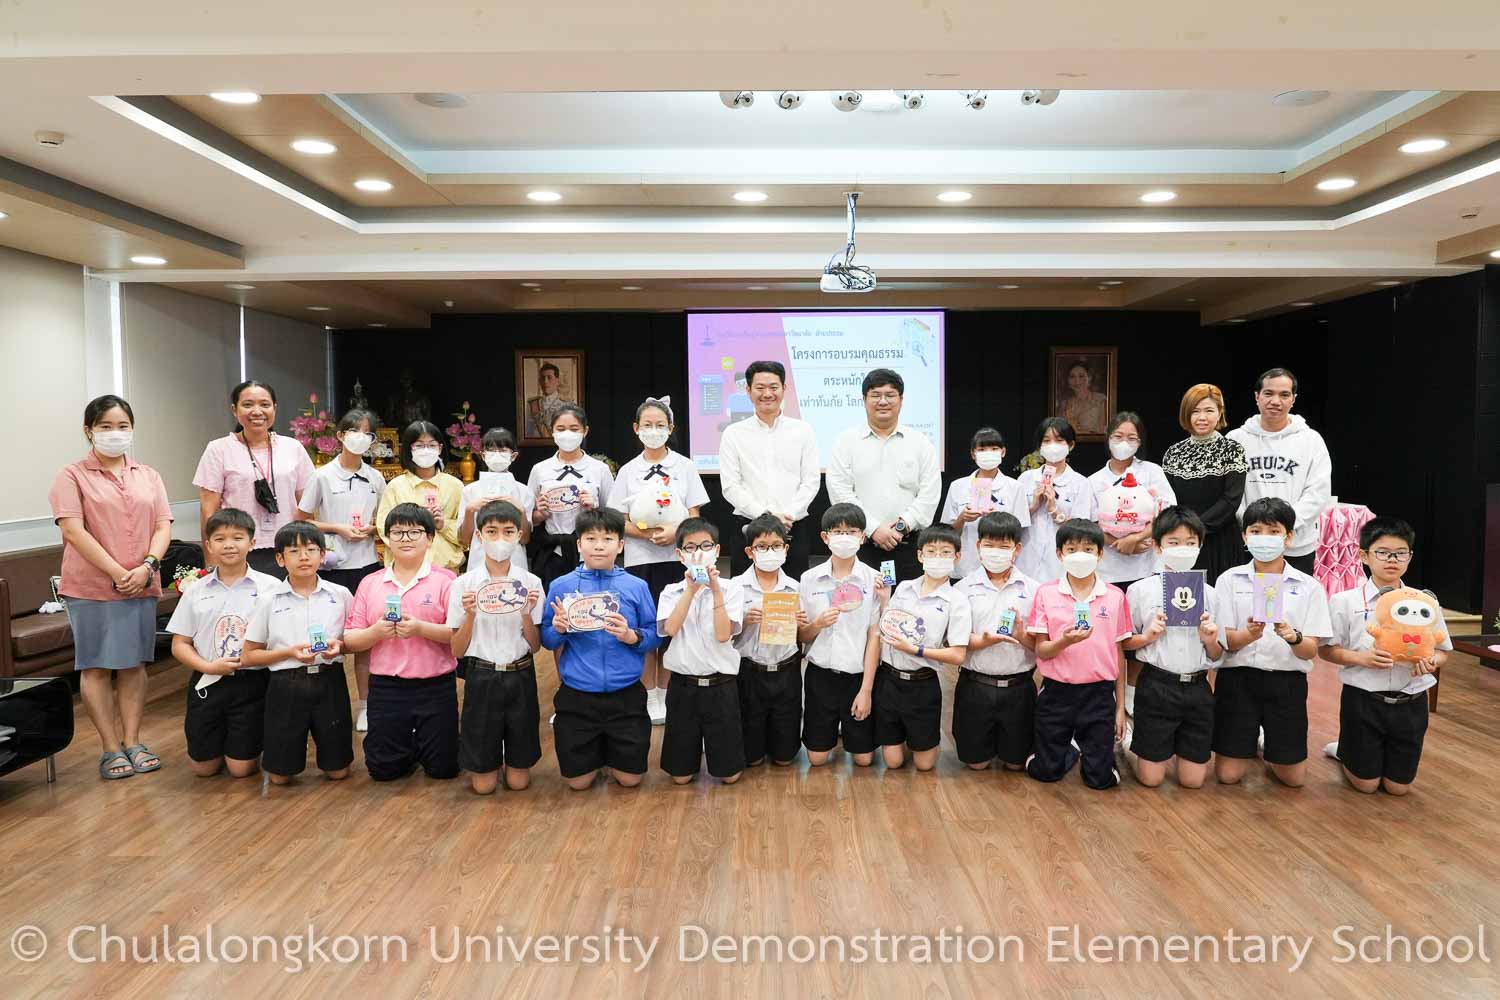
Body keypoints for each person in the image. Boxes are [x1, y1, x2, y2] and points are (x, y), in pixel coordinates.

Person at [50, 394, 173, 780]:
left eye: (123, 426)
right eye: (105, 426)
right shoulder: (72, 476)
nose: (115, 433)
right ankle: (109, 748)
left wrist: (147, 566)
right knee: (97, 665)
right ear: (89, 431)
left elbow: (162, 525)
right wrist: (120, 572)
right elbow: (73, 530)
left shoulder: (148, 475)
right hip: (91, 586)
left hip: (141, 582)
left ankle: (133, 740)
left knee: (135, 664)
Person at [1319, 517, 1449, 796]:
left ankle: (1360, 754)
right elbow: (1326, 650)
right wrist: (1362, 659)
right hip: (1363, 699)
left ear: (1410, 556)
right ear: (1364, 555)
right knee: (1366, 786)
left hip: (1412, 700)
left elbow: (1442, 651)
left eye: (1400, 553)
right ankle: (1343, 751)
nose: (1392, 560)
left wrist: (1431, 662)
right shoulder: (1345, 601)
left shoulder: (1425, 602)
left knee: (1398, 788)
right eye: (1383, 552)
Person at [1213, 497, 1333, 788]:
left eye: (1273, 531)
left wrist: (1294, 637)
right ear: (1244, 536)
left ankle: (1269, 743)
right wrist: (1248, 635)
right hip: (1238, 680)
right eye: (1255, 531)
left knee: (1293, 780)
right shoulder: (1229, 580)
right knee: (1228, 776)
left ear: (1288, 537)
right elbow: (1225, 641)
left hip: (1286, 682)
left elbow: (1310, 651)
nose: (1263, 538)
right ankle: (1250, 738)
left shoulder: (1309, 587)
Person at [541, 507, 661, 790]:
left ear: (620, 545)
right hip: (578, 694)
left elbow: (655, 635)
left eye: (607, 539)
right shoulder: (561, 586)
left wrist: (632, 636)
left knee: (630, 780)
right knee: (578, 783)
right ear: (578, 544)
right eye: (591, 538)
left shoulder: (636, 586)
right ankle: (597, 756)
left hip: (626, 692)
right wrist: (558, 629)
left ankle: (613, 756)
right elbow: (547, 640)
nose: (599, 546)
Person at [607, 396, 708, 725]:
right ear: (636, 429)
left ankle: (666, 690)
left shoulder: (685, 467)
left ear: (671, 428)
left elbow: (694, 515)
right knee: (644, 625)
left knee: (671, 625)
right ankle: (648, 692)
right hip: (640, 560)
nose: (654, 430)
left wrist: (675, 532)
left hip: (677, 559)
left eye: (660, 425)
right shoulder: (627, 471)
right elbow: (617, 519)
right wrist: (645, 533)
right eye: (647, 425)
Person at [343, 503, 461, 782]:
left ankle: (424, 743)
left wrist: (421, 628)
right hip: (387, 687)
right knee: (383, 771)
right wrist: (376, 632)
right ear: (386, 539)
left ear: (429, 538)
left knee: (444, 770)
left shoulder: (447, 580)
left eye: (414, 532)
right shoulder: (370, 583)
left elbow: (458, 637)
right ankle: (407, 745)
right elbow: (351, 639)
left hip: (436, 685)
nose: (405, 539)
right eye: (397, 532)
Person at [241, 521, 355, 785]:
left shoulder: (340, 594)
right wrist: (288, 653)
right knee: (280, 777)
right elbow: (249, 656)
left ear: (323, 555)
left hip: (330, 679)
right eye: (294, 551)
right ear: (280, 559)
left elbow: (355, 641)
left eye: (311, 550)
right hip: (286, 683)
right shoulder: (268, 600)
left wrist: (340, 646)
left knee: (338, 772)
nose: (304, 557)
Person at [166, 508, 277, 779]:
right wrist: (207, 666)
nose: (229, 545)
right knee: (203, 769)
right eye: (220, 539)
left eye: (237, 538)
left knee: (241, 770)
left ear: (252, 542)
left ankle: (248, 748)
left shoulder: (271, 588)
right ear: (208, 545)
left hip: (253, 681)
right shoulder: (195, 590)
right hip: (208, 679)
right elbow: (180, 644)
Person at [295, 408, 386, 732]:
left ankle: (366, 705)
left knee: (364, 640)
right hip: (332, 566)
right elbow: (302, 520)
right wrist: (337, 528)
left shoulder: (376, 478)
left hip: (367, 565)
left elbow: (384, 521)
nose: (360, 438)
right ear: (340, 436)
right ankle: (321, 706)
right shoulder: (322, 476)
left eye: (367, 433)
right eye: (354, 431)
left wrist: (372, 529)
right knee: (328, 636)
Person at [1119, 507, 1222, 789]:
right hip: (1156, 684)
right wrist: (1148, 636)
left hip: (1197, 687)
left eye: (1190, 543)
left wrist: (1210, 639)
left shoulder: (1211, 594)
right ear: (1157, 546)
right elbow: (1125, 643)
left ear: (1200, 546)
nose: (1182, 549)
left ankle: (1174, 747)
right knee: (1151, 779)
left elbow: (1217, 655)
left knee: (1193, 781)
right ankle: (1130, 744)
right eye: (1173, 542)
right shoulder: (1140, 590)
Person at [1025, 518, 1130, 790]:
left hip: (1099, 693)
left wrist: (1120, 708)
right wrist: (1064, 642)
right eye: (1072, 549)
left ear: (1100, 554)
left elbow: (1119, 653)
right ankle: (1070, 746)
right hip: (1056, 691)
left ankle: (1092, 752)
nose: (1080, 555)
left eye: (1088, 549)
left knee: (1101, 781)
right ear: (1059, 554)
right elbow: (1041, 650)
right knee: (1045, 772)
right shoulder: (1046, 593)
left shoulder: (1115, 596)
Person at [449, 500, 545, 795]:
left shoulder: (531, 582)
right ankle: (489, 762)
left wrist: (526, 613)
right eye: (492, 531)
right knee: (483, 786)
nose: (500, 539)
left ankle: (513, 761)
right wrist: (470, 615)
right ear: (479, 536)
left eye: (508, 531)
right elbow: (457, 650)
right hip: (482, 676)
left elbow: (535, 646)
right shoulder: (464, 584)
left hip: (520, 674)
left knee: (518, 783)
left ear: (519, 535)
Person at [1088, 412, 1176, 717]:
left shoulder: (1152, 472)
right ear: (1108, 439)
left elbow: (1167, 513)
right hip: (1108, 570)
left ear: (1140, 442)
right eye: (1118, 436)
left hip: (1145, 568)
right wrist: (1118, 543)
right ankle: (1110, 697)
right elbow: (1088, 522)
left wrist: (1137, 538)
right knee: (1111, 635)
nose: (1124, 443)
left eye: (1131, 438)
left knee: (1139, 632)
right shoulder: (1095, 481)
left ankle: (1133, 697)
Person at [826, 368, 941, 582]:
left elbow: (930, 493)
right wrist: (873, 529)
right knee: (859, 601)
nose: (883, 401)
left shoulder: (920, 442)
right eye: (876, 395)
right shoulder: (845, 442)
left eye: (890, 395)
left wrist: (902, 526)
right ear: (864, 400)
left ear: (901, 400)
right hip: (860, 545)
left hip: (909, 545)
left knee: (907, 601)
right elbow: (840, 492)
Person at [797, 503, 889, 768]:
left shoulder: (875, 580)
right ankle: (830, 732)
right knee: (816, 759)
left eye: (852, 531)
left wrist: (866, 690)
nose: (845, 537)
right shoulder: (809, 579)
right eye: (838, 532)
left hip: (857, 676)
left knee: (863, 760)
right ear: (825, 537)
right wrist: (817, 624)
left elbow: (874, 638)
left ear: (863, 537)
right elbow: (802, 636)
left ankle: (849, 728)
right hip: (820, 675)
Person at [874, 524, 972, 772]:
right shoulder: (904, 588)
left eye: (945, 552)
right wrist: (885, 599)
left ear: (957, 557)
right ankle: (907, 738)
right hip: (889, 679)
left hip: (923, 683)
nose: (937, 557)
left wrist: (916, 650)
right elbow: (889, 624)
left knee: (925, 765)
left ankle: (922, 740)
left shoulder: (957, 601)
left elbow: (958, 655)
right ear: (920, 555)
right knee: (893, 762)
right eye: (931, 551)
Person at [657, 518, 747, 784]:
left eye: (706, 545)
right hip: (683, 686)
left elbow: (723, 634)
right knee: (680, 778)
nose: (698, 552)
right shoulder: (671, 591)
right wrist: (691, 590)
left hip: (721, 685)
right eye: (691, 547)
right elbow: (670, 629)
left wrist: (716, 591)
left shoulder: (732, 588)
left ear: (716, 551)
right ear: (680, 554)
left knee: (730, 776)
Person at [194, 380, 315, 577]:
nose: (257, 411)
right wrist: (212, 564)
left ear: (274, 408)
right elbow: (208, 511)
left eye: (265, 404)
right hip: (236, 551)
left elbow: (307, 506)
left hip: (289, 548)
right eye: (248, 404)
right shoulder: (219, 449)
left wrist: (308, 550)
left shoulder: (293, 447)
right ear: (234, 409)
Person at [718, 360, 822, 580]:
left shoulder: (803, 430)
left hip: (793, 526)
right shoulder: (733, 433)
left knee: (793, 591)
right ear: (748, 390)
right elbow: (730, 486)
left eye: (774, 387)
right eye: (760, 387)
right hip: (748, 527)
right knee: (746, 593)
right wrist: (765, 516)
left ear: (784, 388)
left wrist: (788, 515)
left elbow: (811, 481)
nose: (767, 393)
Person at [953, 512, 1039, 772]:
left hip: (1020, 687)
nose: (996, 552)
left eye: (1004, 546)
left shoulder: (1034, 590)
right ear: (978, 546)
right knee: (976, 764)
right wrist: (983, 641)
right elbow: (954, 640)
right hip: (975, 685)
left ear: (1017, 549)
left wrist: (1022, 636)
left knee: (1016, 765)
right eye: (990, 545)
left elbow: (1043, 647)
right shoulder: (962, 589)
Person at [1227, 368, 1332, 576]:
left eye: (1284, 395)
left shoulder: (1311, 440)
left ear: (1293, 399)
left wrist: (1284, 526)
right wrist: (1253, 526)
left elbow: (1318, 492)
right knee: (1248, 597)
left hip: (1295, 545)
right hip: (1249, 544)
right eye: (1269, 393)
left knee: (1291, 598)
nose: (1275, 401)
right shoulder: (1235, 439)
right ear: (1257, 396)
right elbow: (1229, 493)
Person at [731, 514, 806, 768]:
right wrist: (743, 620)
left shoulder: (795, 587)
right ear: (749, 552)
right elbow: (723, 634)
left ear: (785, 549)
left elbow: (803, 635)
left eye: (775, 546)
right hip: (749, 671)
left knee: (785, 758)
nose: (769, 552)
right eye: (762, 547)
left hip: (786, 670)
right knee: (752, 758)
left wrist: (800, 623)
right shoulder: (735, 587)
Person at [1160, 384, 1249, 585]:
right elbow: (1168, 499)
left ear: (1220, 413)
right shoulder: (1173, 453)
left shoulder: (1232, 450)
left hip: (1221, 539)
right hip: (1182, 541)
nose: (1202, 417)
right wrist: (1183, 533)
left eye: (1209, 411)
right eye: (1195, 411)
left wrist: (1196, 529)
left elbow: (1231, 499)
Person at [527, 404, 615, 590]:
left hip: (590, 553)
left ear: (585, 431)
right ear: (552, 432)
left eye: (574, 429)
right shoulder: (540, 469)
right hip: (552, 554)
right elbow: (529, 519)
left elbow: (614, 517)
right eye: (561, 429)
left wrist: (594, 509)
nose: (567, 434)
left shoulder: (600, 469)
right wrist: (540, 514)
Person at [374, 421, 465, 572]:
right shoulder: (396, 486)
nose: (426, 450)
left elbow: (467, 533)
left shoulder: (455, 486)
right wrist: (412, 535)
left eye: (431, 445)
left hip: (446, 569)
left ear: (440, 448)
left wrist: (443, 525)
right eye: (419, 445)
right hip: (405, 569)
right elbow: (384, 528)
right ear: (409, 449)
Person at [1015, 418, 1095, 583]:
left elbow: (1082, 529)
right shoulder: (1026, 479)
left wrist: (1054, 511)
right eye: (1046, 441)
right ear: (1040, 446)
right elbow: (1012, 523)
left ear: (1070, 445)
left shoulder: (1081, 483)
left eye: (1059, 440)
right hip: (1026, 561)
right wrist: (1033, 507)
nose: (1053, 446)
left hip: (1060, 563)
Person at [940, 427, 1025, 580]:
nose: (988, 453)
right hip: (965, 567)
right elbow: (946, 533)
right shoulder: (958, 486)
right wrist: (962, 518)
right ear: (973, 454)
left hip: (1001, 567)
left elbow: (1020, 532)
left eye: (994, 449)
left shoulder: (1015, 487)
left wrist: (998, 520)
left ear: (1003, 452)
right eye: (982, 449)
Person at [457, 427, 534, 577]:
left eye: (503, 450)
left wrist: (521, 511)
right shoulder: (470, 491)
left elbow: (525, 539)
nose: (497, 455)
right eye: (491, 450)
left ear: (513, 456)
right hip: (479, 561)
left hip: (515, 562)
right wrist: (469, 511)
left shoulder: (524, 491)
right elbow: (464, 539)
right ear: (483, 455)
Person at [1056, 361, 1109, 437]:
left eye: (1081, 376)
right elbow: (1059, 433)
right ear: (1068, 380)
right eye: (1072, 377)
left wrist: (1078, 431)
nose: (1076, 381)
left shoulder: (1101, 400)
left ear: (1089, 378)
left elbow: (1103, 433)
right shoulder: (1064, 405)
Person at [525, 362, 568, 440]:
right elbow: (528, 432)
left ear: (557, 381)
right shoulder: (532, 404)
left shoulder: (566, 404)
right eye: (542, 378)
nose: (545, 381)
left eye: (549, 377)